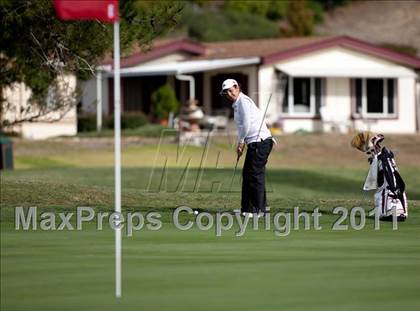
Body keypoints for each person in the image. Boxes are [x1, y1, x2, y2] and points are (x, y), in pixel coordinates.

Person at [220, 79, 274, 217]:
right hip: (255, 142)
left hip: (260, 141)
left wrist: (241, 143)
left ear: (237, 87)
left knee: (255, 176)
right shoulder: (238, 104)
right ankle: (248, 209)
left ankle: (258, 210)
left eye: (231, 90)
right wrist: (241, 142)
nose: (229, 94)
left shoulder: (243, 101)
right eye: (226, 93)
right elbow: (242, 127)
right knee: (249, 175)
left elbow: (246, 124)